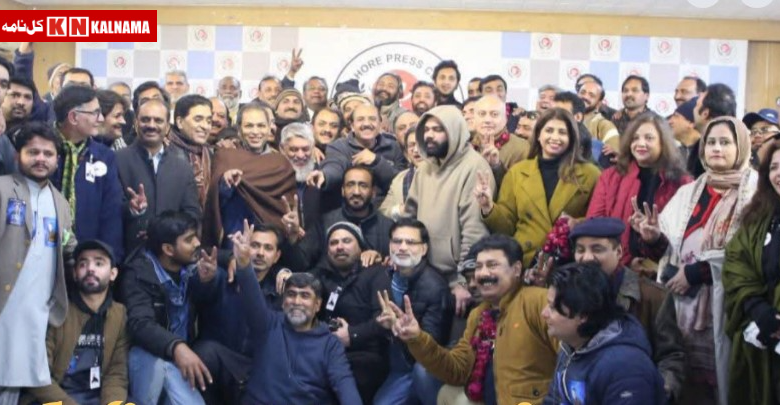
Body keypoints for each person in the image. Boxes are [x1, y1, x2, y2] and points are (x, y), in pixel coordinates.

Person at [633, 116, 758, 404]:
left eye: (725, 142)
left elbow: (751, 252)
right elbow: (667, 253)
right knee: (687, 385)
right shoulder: (689, 192)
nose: (716, 148)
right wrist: (653, 238)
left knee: (726, 385)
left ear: (741, 147)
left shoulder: (756, 191)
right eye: (710, 142)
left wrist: (699, 272)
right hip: (682, 307)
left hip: (730, 306)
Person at [384, 235, 558, 405]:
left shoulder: (537, 302)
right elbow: (458, 370)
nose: (482, 274)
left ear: (517, 269)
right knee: (443, 389)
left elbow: (568, 361)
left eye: (492, 265)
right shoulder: (479, 314)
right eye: (479, 267)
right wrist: (417, 338)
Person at [229, 220, 362, 404]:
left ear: (317, 305)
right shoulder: (268, 324)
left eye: (305, 296)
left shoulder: (329, 343)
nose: (297, 302)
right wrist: (244, 264)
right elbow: (252, 297)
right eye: (291, 295)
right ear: (283, 302)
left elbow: (345, 384)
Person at [568, 217, 686, 401]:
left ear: (619, 251)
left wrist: (659, 393)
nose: (587, 258)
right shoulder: (570, 296)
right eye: (580, 250)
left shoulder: (653, 296)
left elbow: (671, 356)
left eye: (597, 249)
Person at [0, 122, 77, 405]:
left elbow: (69, 245)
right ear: (18, 154)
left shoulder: (61, 203)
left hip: (36, 309)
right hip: (4, 301)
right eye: (33, 152)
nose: (41, 159)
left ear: (57, 159)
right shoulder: (3, 188)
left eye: (48, 153)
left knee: (15, 378)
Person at [117, 211, 222, 405]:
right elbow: (140, 324)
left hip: (182, 358)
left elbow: (205, 301)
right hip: (148, 356)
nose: (197, 243)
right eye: (189, 240)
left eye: (196, 236)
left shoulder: (191, 268)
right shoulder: (138, 274)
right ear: (168, 249)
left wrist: (207, 281)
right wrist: (176, 347)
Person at [479, 108, 600, 267]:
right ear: (538, 135)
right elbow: (507, 226)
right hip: (525, 260)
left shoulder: (590, 174)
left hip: (570, 262)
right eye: (549, 130)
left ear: (571, 138)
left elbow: (599, 218)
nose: (555, 137)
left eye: (562, 132)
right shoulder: (517, 172)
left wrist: (576, 223)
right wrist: (488, 207)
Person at [404, 105, 494, 317]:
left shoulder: (475, 167)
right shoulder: (424, 168)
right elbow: (410, 217)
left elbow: (475, 231)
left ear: (454, 131)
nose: (429, 135)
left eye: (438, 129)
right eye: (426, 129)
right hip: (424, 274)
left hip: (457, 282)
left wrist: (464, 281)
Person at [22, 240, 129, 405]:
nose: (90, 269)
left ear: (113, 274)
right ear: (74, 273)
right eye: (83, 264)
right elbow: (38, 374)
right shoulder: (57, 311)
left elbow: (116, 372)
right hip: (55, 397)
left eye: (99, 263)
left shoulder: (119, 314)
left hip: (97, 397)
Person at [542, 262, 666, 404]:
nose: (544, 313)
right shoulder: (570, 346)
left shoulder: (625, 368)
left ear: (582, 315)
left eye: (552, 308)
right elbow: (553, 400)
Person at [587, 113, 692, 272]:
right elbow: (594, 222)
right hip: (614, 267)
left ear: (663, 142)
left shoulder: (682, 183)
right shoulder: (610, 176)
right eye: (635, 138)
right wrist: (621, 262)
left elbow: (684, 235)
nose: (640, 143)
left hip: (660, 269)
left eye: (649, 138)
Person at [723, 139, 780, 405]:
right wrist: (757, 308)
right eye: (774, 167)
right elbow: (736, 261)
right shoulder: (760, 216)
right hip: (759, 335)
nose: (778, 174)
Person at [311, 222, 391, 403]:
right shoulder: (321, 274)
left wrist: (352, 334)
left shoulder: (376, 273)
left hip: (365, 354)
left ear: (360, 247)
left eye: (346, 241)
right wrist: (285, 274)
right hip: (326, 350)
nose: (339, 247)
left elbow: (384, 320)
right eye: (333, 243)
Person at [374, 218, 451, 405]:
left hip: (415, 365)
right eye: (397, 241)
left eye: (410, 242)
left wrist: (400, 329)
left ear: (424, 249)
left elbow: (433, 346)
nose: (402, 247)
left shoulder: (435, 287)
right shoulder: (384, 275)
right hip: (387, 357)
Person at [201, 103, 296, 250]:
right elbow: (214, 200)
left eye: (261, 126)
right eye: (249, 126)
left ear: (269, 128)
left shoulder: (281, 163)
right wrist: (225, 182)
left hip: (271, 241)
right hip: (235, 236)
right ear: (239, 130)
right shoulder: (226, 155)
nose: (255, 132)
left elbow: (286, 205)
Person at [115, 98, 201, 252]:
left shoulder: (182, 166)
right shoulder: (117, 160)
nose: (151, 125)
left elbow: (192, 214)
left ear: (167, 127)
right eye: (145, 120)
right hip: (129, 253)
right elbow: (109, 210)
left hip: (170, 255)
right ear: (136, 123)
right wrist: (132, 209)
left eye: (158, 120)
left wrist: (163, 232)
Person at [51, 85, 125, 261]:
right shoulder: (43, 149)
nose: (101, 119)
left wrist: (107, 258)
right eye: (95, 113)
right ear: (73, 117)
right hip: (44, 248)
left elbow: (111, 214)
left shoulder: (104, 156)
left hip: (87, 255)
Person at [307, 103, 405, 203]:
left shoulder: (394, 147)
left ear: (380, 124)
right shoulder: (339, 147)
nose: (366, 124)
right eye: (360, 119)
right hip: (351, 208)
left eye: (372, 119)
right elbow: (335, 166)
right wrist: (325, 176)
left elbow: (403, 182)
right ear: (352, 125)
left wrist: (377, 162)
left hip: (389, 209)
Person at [168, 94, 213, 207]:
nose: (205, 126)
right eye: (198, 119)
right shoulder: (165, 150)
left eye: (209, 121)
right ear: (179, 122)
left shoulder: (210, 152)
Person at [380, 126, 423, 220]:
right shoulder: (399, 179)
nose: (416, 150)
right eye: (411, 145)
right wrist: (401, 210)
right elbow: (383, 212)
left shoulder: (444, 176)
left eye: (421, 144)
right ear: (406, 153)